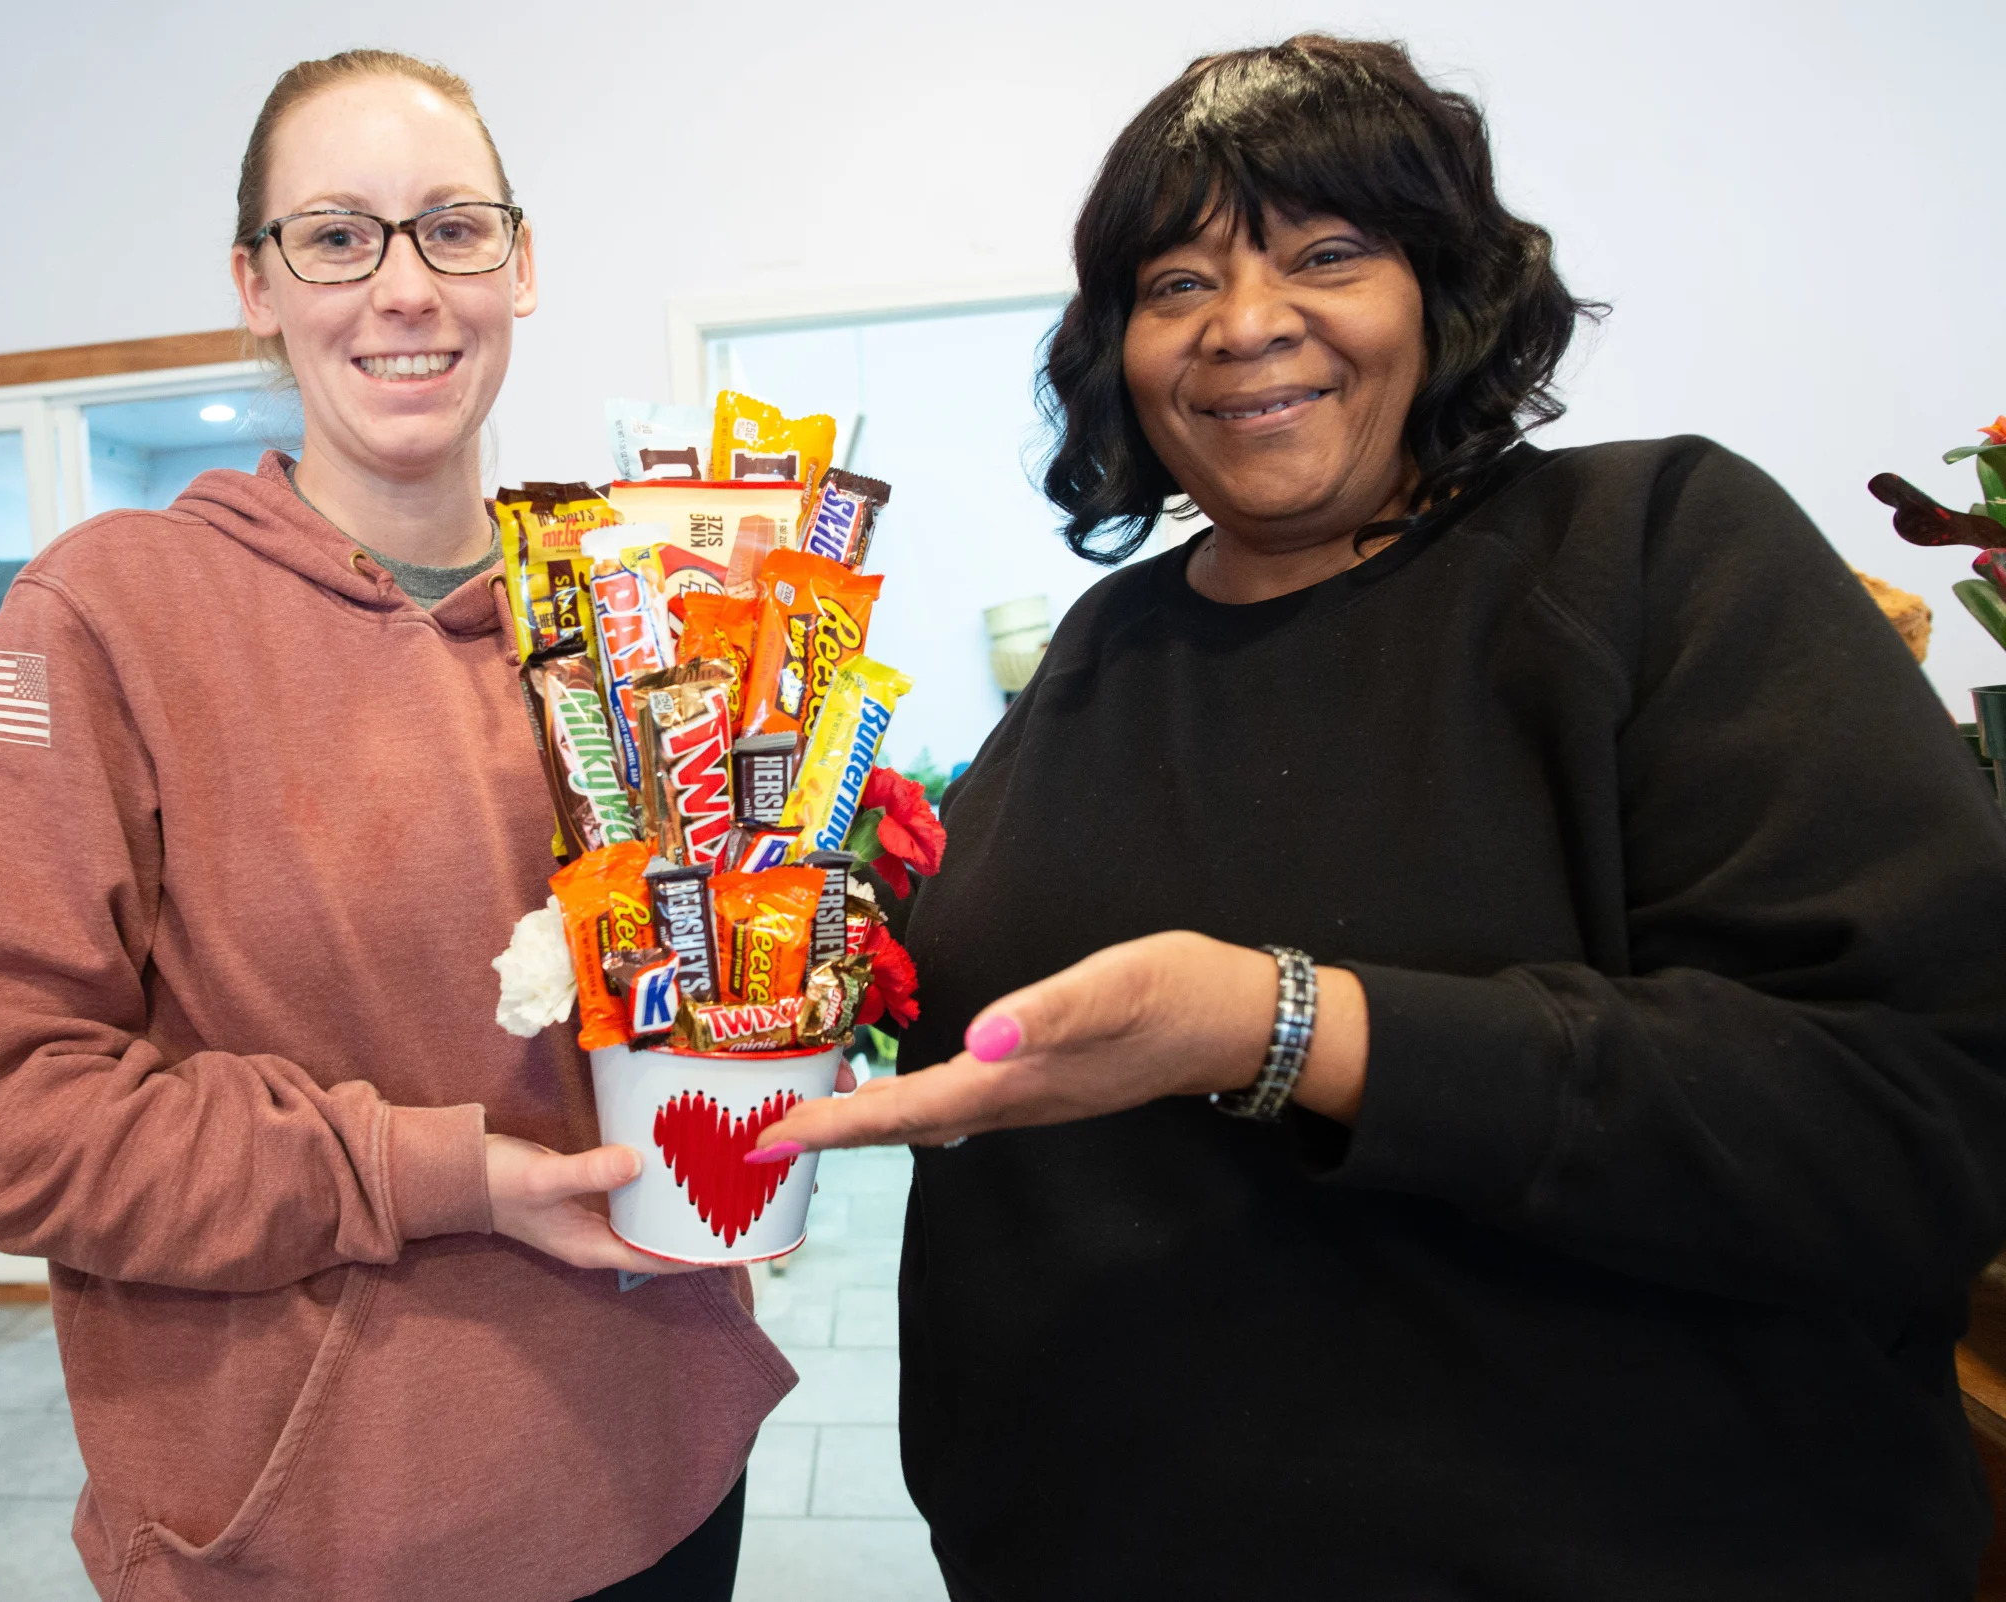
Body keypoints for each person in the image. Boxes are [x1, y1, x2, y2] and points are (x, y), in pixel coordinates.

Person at [751, 35, 2006, 1600]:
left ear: (1445, 289)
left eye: (1325, 253)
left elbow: (1912, 1119)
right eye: (1175, 281)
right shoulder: (1105, 642)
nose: (1247, 324)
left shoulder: (1650, 551)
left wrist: (1288, 1028)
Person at [0, 50, 789, 1602]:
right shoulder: (104, 616)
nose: (404, 288)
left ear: (521, 262)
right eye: (336, 234)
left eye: (452, 228)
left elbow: (699, 966)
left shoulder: (630, 607)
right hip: (316, 1535)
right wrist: (440, 1171)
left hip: (662, 1465)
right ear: (255, 283)